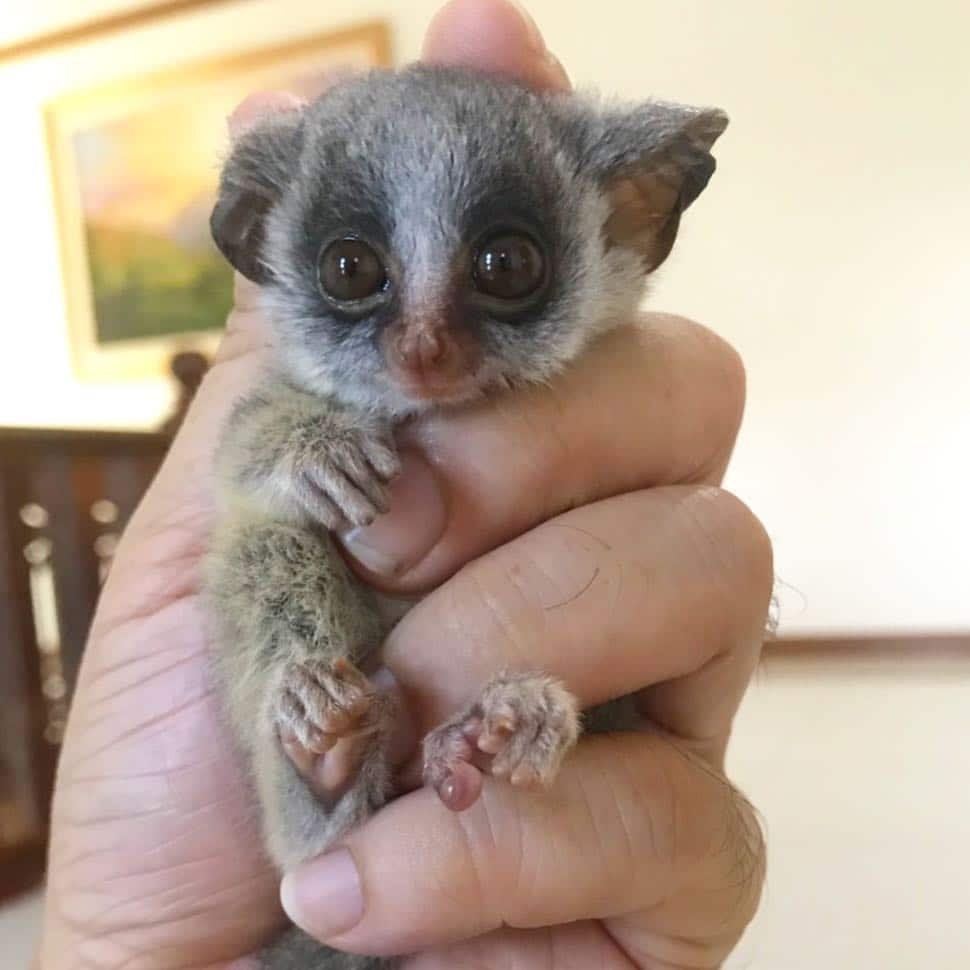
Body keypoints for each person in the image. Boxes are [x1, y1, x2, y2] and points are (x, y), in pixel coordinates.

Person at [34, 1, 772, 967]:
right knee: (265, 545)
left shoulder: (593, 403)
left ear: (629, 219)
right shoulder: (285, 393)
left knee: (574, 626)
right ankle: (321, 771)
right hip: (297, 844)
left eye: (504, 268)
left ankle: (491, 729)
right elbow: (250, 458)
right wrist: (304, 455)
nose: (422, 344)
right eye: (355, 272)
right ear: (264, 244)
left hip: (496, 808)